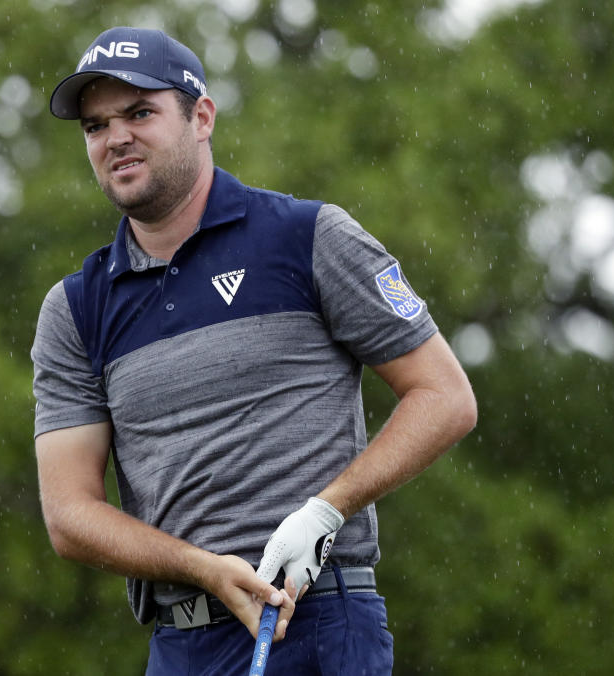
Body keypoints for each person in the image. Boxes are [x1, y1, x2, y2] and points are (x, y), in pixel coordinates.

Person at [31, 26, 477, 675]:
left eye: (139, 112)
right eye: (96, 126)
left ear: (201, 116)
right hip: (182, 643)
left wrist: (328, 509)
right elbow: (70, 516)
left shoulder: (306, 236)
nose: (115, 137)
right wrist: (200, 568)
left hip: (317, 619)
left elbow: (445, 398)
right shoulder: (76, 308)